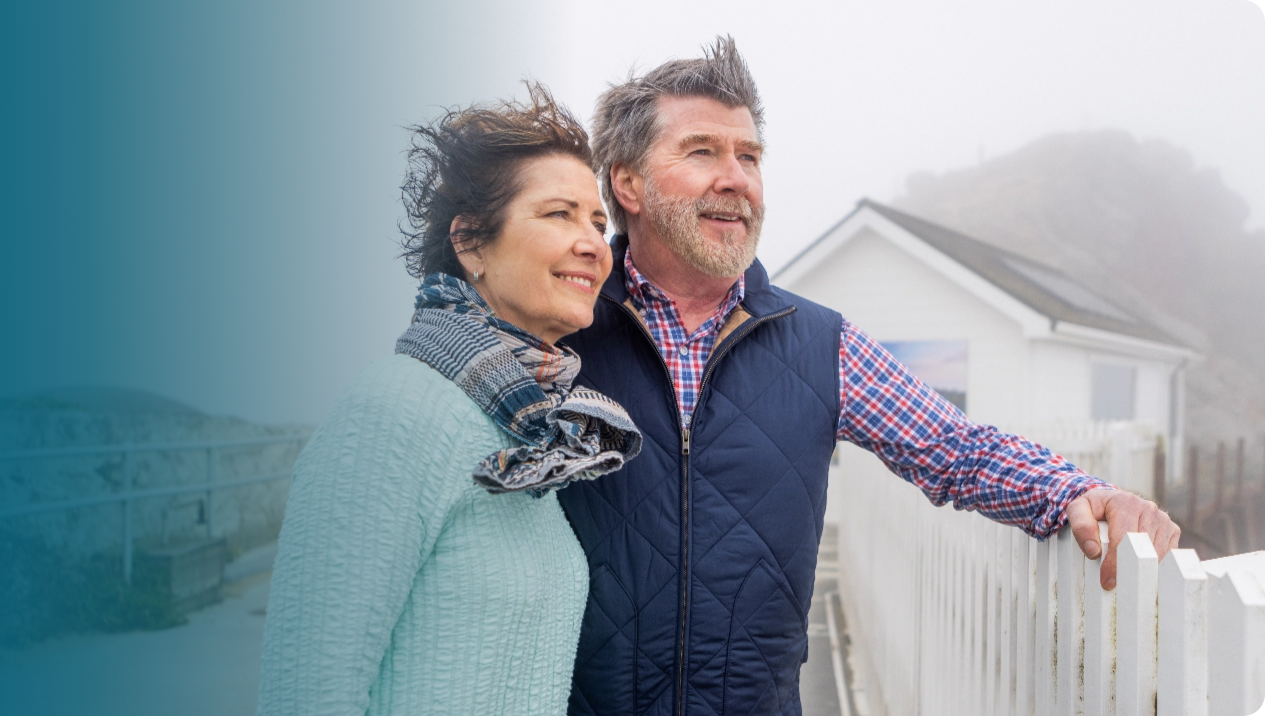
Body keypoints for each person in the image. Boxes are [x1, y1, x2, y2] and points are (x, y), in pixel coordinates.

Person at [556, 37, 1183, 716]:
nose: (736, 178)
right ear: (627, 184)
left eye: (750, 156)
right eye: (702, 151)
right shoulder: (559, 327)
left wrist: (1080, 491)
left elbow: (958, 451)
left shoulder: (822, 344)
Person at [257, 83, 645, 716]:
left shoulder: (533, 431)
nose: (593, 243)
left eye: (598, 222)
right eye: (559, 214)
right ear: (470, 244)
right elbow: (305, 689)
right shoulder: (393, 410)